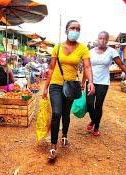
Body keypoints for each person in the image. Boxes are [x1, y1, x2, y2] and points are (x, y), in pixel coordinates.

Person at [42, 20, 95, 160]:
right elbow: (51, 68)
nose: (75, 31)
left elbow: (88, 67)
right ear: (66, 30)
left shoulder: (83, 48)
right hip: (55, 85)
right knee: (57, 113)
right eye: (72, 28)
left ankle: (64, 134)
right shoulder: (57, 48)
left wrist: (91, 82)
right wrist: (45, 87)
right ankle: (53, 146)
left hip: (70, 86)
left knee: (66, 114)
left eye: (78, 29)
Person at [83, 31, 126, 136]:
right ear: (97, 39)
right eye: (100, 38)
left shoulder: (111, 51)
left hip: (103, 83)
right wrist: (83, 82)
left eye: (105, 39)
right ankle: (93, 120)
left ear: (107, 40)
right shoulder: (90, 52)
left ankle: (96, 126)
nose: (102, 41)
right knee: (90, 104)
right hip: (91, 82)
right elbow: (87, 68)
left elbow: (121, 65)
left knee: (98, 105)